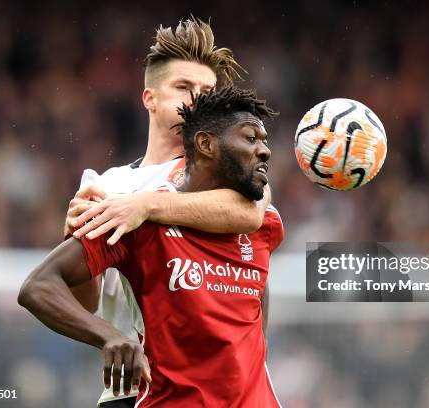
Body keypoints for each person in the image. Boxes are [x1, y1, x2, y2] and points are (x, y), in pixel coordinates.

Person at [18, 86, 283, 407]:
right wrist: (109, 336)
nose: (265, 150)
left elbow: (257, 284)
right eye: (251, 138)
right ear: (206, 144)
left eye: (265, 140)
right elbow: (38, 286)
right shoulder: (136, 217)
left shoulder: (262, 222)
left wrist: (256, 357)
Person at [61, 18, 274, 407]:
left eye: (206, 92)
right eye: (183, 88)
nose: (195, 101)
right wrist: (75, 231)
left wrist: (148, 204)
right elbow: (86, 303)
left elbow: (251, 214)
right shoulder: (105, 185)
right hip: (132, 391)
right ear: (150, 98)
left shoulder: (225, 175)